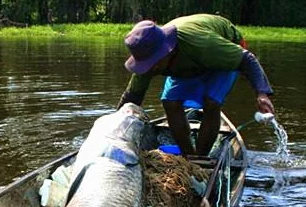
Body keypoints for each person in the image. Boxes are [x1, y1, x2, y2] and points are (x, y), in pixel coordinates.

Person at [118, 13, 275, 156]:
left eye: (154, 63)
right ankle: (188, 157)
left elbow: (247, 59)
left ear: (168, 50)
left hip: (222, 51)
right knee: (170, 102)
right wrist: (115, 126)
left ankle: (200, 159)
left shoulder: (203, 44)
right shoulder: (148, 60)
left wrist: (261, 93)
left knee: (211, 102)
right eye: (147, 65)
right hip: (186, 63)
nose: (152, 69)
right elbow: (132, 97)